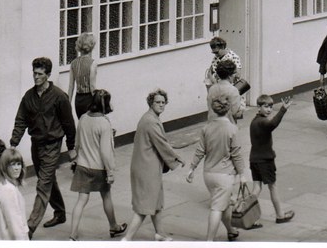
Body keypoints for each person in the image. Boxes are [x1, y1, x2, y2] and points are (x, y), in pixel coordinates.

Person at [10, 56, 76, 236]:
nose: (36, 76)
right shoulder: (29, 96)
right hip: (36, 143)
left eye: (40, 74)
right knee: (47, 178)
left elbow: (69, 124)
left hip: (53, 144)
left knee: (43, 183)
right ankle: (60, 212)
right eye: (34, 73)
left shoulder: (59, 97)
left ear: (47, 75)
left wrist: (71, 149)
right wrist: (14, 143)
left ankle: (29, 228)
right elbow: (21, 120)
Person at [123, 89, 184, 241]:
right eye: (158, 102)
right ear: (151, 103)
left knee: (155, 201)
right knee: (144, 207)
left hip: (146, 165)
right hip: (146, 168)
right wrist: (176, 158)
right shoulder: (150, 121)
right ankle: (126, 239)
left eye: (163, 102)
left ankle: (160, 234)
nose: (161, 105)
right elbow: (162, 144)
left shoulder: (150, 118)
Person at [69, 89, 126, 240]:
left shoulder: (83, 118)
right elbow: (105, 152)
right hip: (99, 168)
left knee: (81, 201)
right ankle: (113, 226)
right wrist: (110, 172)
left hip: (82, 165)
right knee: (106, 196)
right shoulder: (104, 123)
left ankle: (73, 235)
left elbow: (77, 144)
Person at [186, 95, 245, 243]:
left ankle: (231, 231)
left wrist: (192, 168)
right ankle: (209, 241)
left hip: (208, 174)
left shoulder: (207, 128)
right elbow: (236, 154)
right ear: (228, 109)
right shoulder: (232, 129)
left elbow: (200, 150)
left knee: (222, 204)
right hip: (224, 175)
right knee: (217, 208)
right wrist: (242, 174)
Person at [248, 94, 294, 225]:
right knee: (272, 186)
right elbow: (273, 124)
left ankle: (247, 213)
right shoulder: (262, 122)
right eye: (266, 106)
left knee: (256, 188)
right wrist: (283, 109)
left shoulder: (254, 121)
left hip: (254, 160)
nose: (269, 109)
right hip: (265, 160)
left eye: (271, 107)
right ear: (259, 107)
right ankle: (280, 215)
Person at [0, 148, 29, 240]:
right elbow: (15, 223)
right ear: (4, 166)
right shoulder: (8, 190)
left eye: (18, 164)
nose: (16, 168)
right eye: (12, 165)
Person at [67, 34, 99, 120]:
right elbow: (92, 86)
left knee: (82, 123)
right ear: (91, 46)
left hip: (78, 99)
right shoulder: (92, 63)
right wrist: (97, 102)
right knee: (91, 125)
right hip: (89, 98)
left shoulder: (73, 63)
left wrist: (68, 103)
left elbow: (71, 86)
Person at [207, 60, 244, 124]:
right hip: (227, 125)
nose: (235, 75)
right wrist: (242, 105)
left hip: (212, 124)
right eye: (234, 73)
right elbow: (235, 113)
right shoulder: (233, 90)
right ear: (230, 76)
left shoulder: (212, 89)